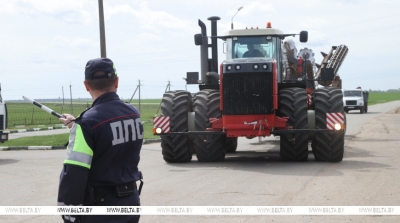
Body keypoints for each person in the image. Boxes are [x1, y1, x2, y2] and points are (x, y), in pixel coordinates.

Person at [57, 58, 143, 223]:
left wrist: (68, 213)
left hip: (100, 210)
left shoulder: (87, 123)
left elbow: (74, 173)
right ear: (116, 82)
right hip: (130, 203)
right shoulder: (133, 113)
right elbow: (109, 134)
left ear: (86, 85)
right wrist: (79, 125)